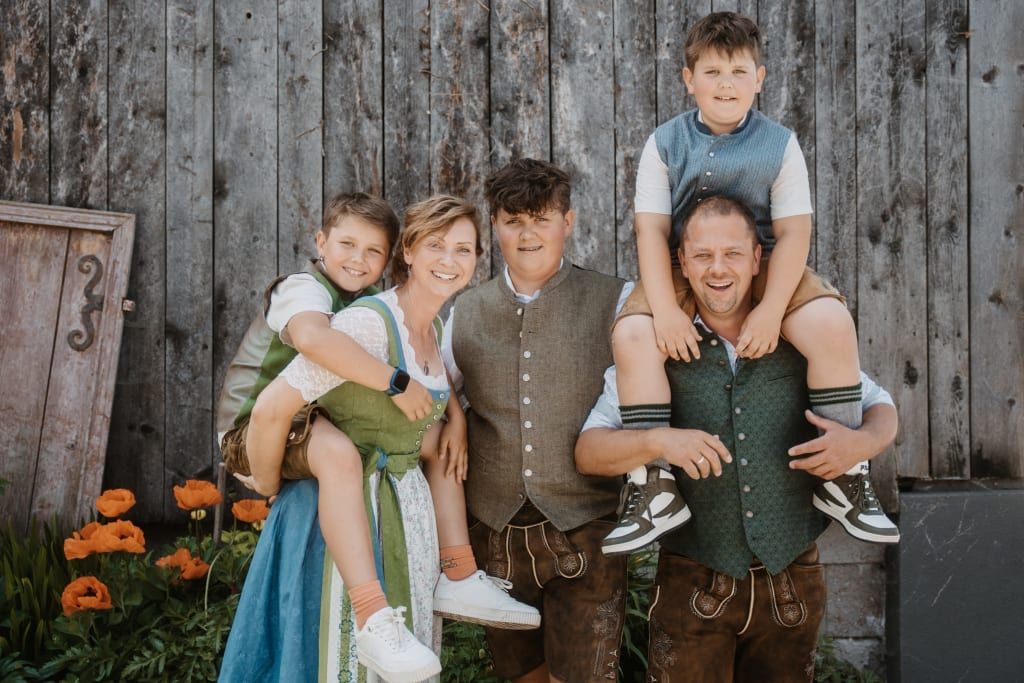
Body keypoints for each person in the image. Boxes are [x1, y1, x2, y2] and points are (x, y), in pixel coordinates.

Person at [603, 11, 898, 555]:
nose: (726, 84)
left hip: (764, 265)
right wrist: (665, 310)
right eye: (712, 72)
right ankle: (652, 484)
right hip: (686, 266)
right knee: (634, 334)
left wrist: (771, 309)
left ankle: (842, 473)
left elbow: (793, 233)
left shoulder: (780, 144)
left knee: (831, 321)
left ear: (759, 78)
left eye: (739, 72)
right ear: (688, 79)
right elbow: (651, 231)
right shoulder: (664, 143)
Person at [576, 196, 899, 682]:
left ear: (756, 259)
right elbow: (589, 452)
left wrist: (861, 443)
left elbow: (881, 408)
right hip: (691, 583)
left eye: (732, 253)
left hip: (791, 582)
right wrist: (659, 441)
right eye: (702, 255)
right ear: (682, 262)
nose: (717, 268)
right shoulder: (652, 348)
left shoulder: (802, 334)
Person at [219, 195, 537, 683]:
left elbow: (422, 369)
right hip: (257, 432)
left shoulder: (403, 313)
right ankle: (370, 615)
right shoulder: (308, 294)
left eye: (463, 249)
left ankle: (459, 571)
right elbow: (310, 349)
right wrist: (267, 483)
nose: (358, 259)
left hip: (315, 425)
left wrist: (454, 415)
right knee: (339, 455)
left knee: (438, 441)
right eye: (436, 245)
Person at [443, 159, 630, 683]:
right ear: (494, 225)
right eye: (513, 221)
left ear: (567, 222)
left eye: (541, 219)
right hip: (495, 531)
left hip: (586, 526)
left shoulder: (615, 299)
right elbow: (435, 393)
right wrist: (453, 415)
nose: (528, 235)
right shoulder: (465, 311)